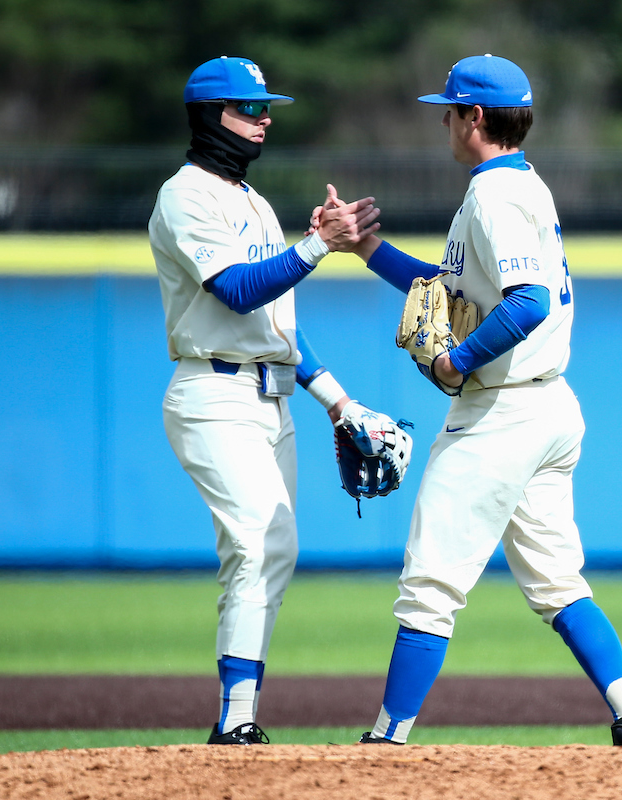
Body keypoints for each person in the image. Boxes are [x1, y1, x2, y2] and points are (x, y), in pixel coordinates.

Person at [321, 54, 622, 748]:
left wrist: (457, 357)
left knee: (429, 584)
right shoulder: (520, 185)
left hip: (502, 413)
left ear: (474, 117)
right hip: (549, 410)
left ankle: (387, 741)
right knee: (557, 582)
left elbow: (529, 302)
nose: (444, 123)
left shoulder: (493, 196)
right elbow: (450, 289)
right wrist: (369, 250)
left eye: (448, 111)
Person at [148, 55, 398, 746]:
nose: (262, 120)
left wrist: (339, 402)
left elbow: (277, 327)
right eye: (246, 108)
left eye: (265, 109)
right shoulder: (186, 196)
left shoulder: (255, 204)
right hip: (211, 393)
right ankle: (235, 721)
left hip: (271, 397)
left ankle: (239, 716)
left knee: (274, 548)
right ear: (208, 115)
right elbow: (235, 291)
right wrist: (318, 243)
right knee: (259, 540)